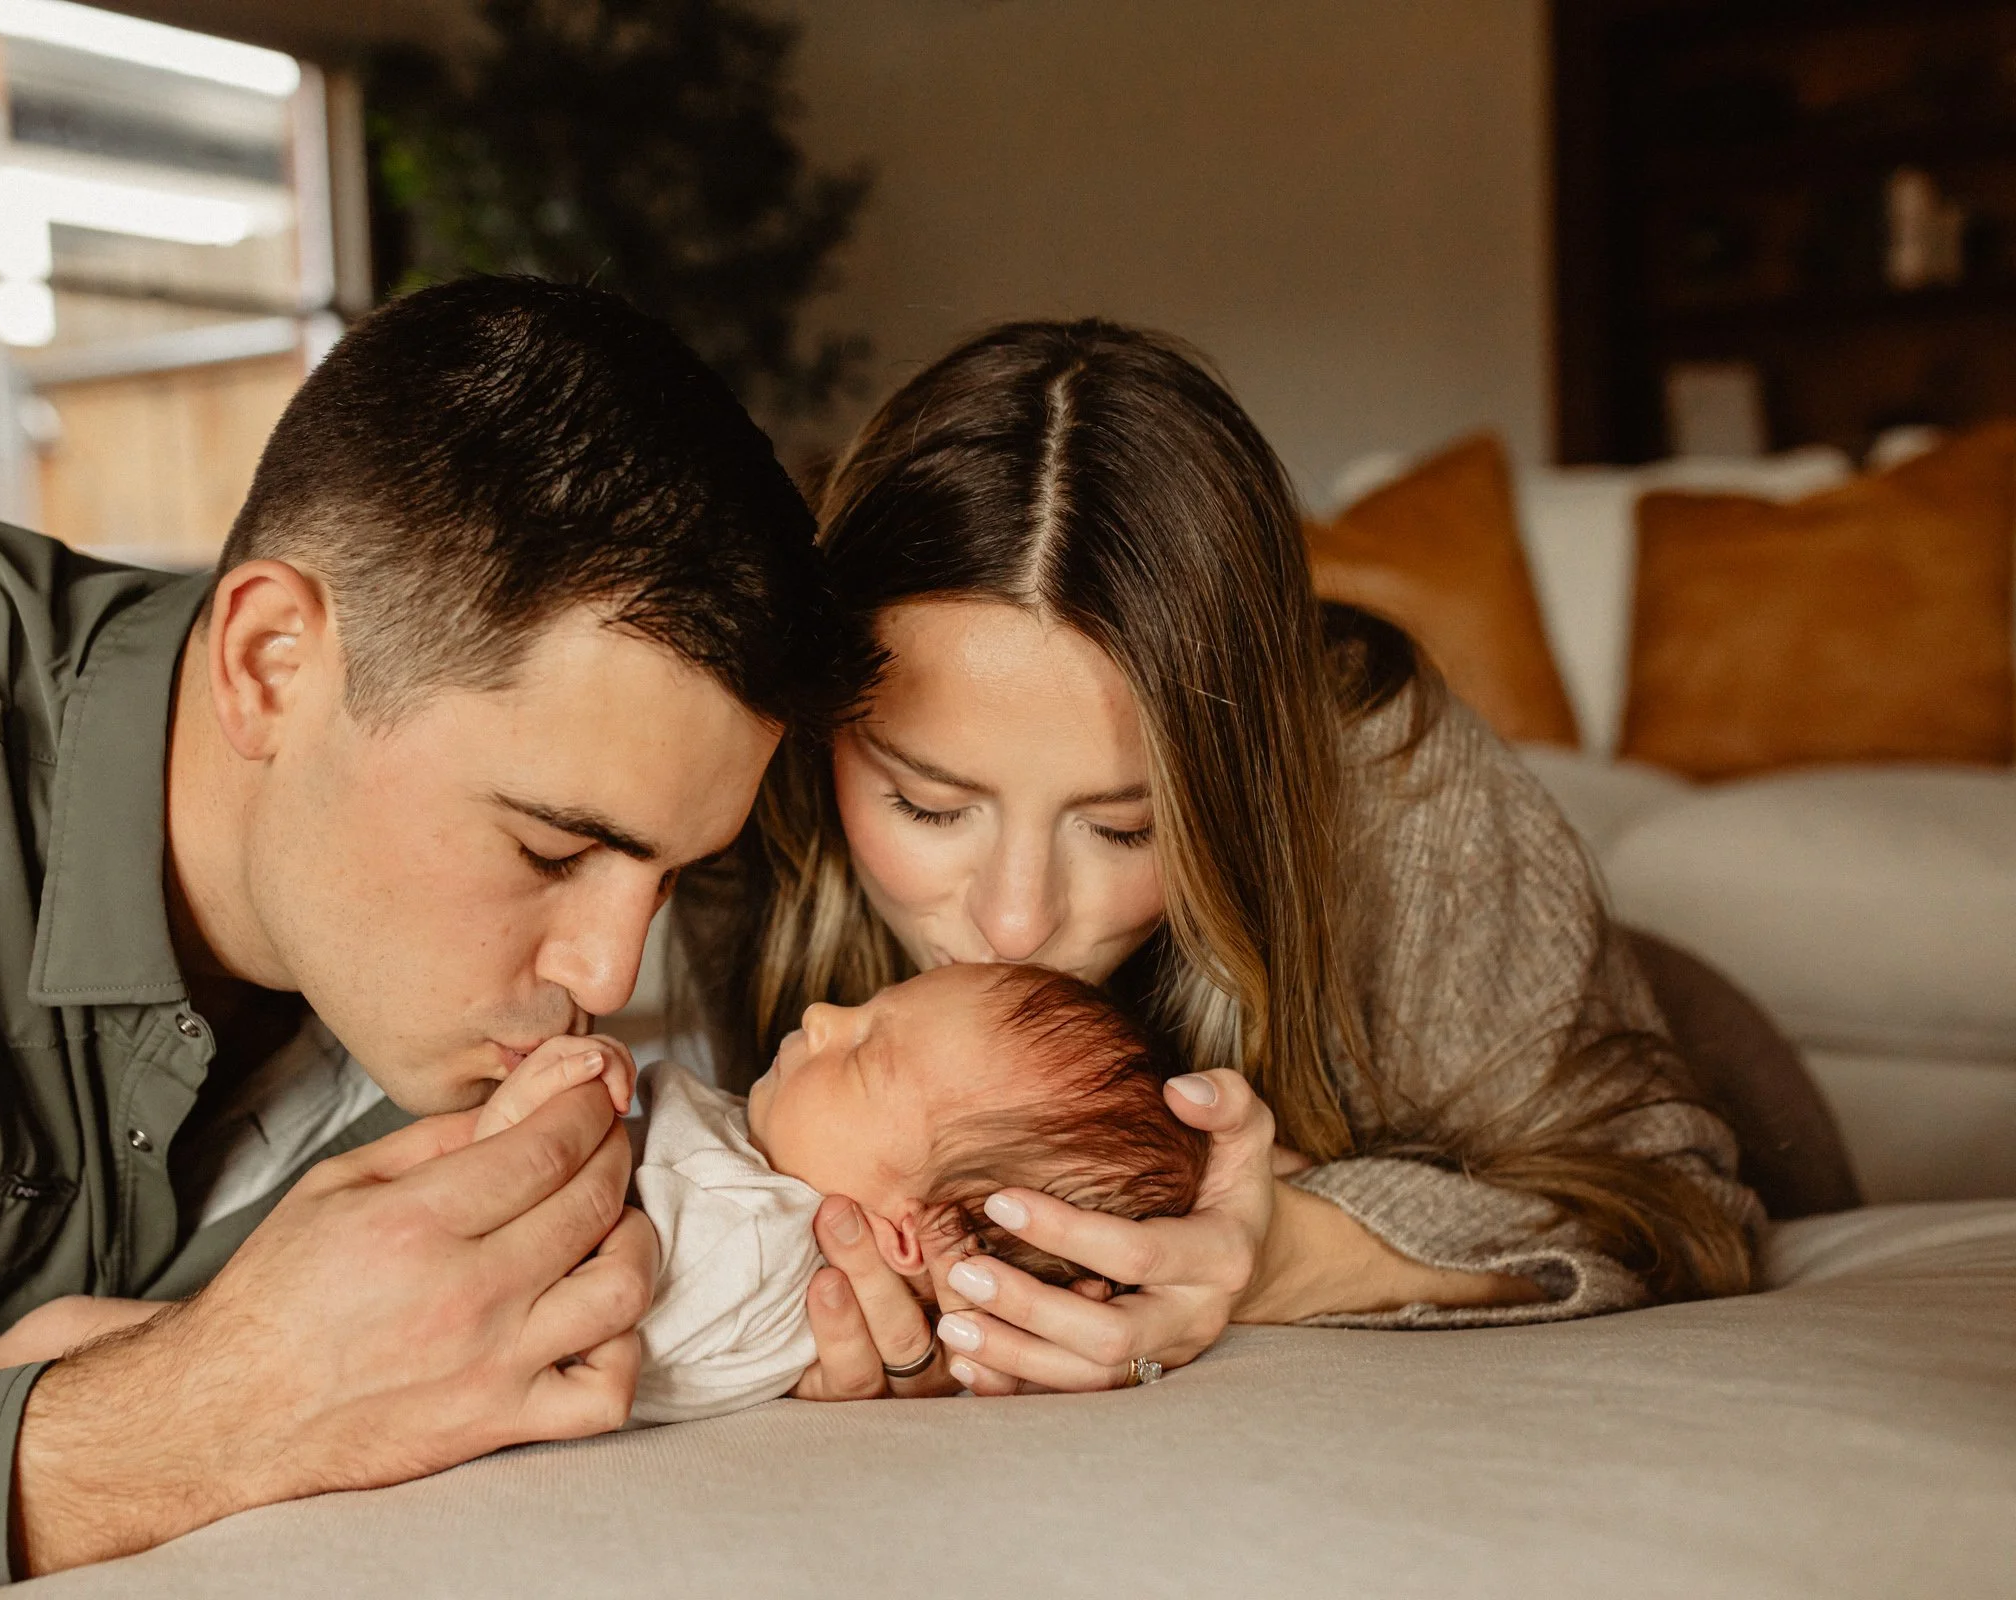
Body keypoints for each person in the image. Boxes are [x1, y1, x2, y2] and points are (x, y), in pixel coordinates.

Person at [0, 276, 871, 1598]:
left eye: (667, 877)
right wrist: (202, 1410)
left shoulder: (451, 1023)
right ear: (271, 662)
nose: (606, 976)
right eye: (550, 851)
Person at [674, 318, 1766, 1401]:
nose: (1015, 921)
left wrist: (1281, 1250)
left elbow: (1688, 1206)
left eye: (1124, 829)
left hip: (1684, 1032)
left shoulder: (1395, 787)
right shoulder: (760, 798)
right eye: (926, 803)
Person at [0, 962, 1205, 1424]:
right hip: (366, 1309)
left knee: (69, 1350)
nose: (819, 1015)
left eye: (864, 1047)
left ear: (897, 1234)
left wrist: (546, 1113)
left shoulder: (776, 1253)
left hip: (391, 1352)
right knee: (64, 1349)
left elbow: (578, 1281)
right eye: (860, 1005)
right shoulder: (764, 1167)